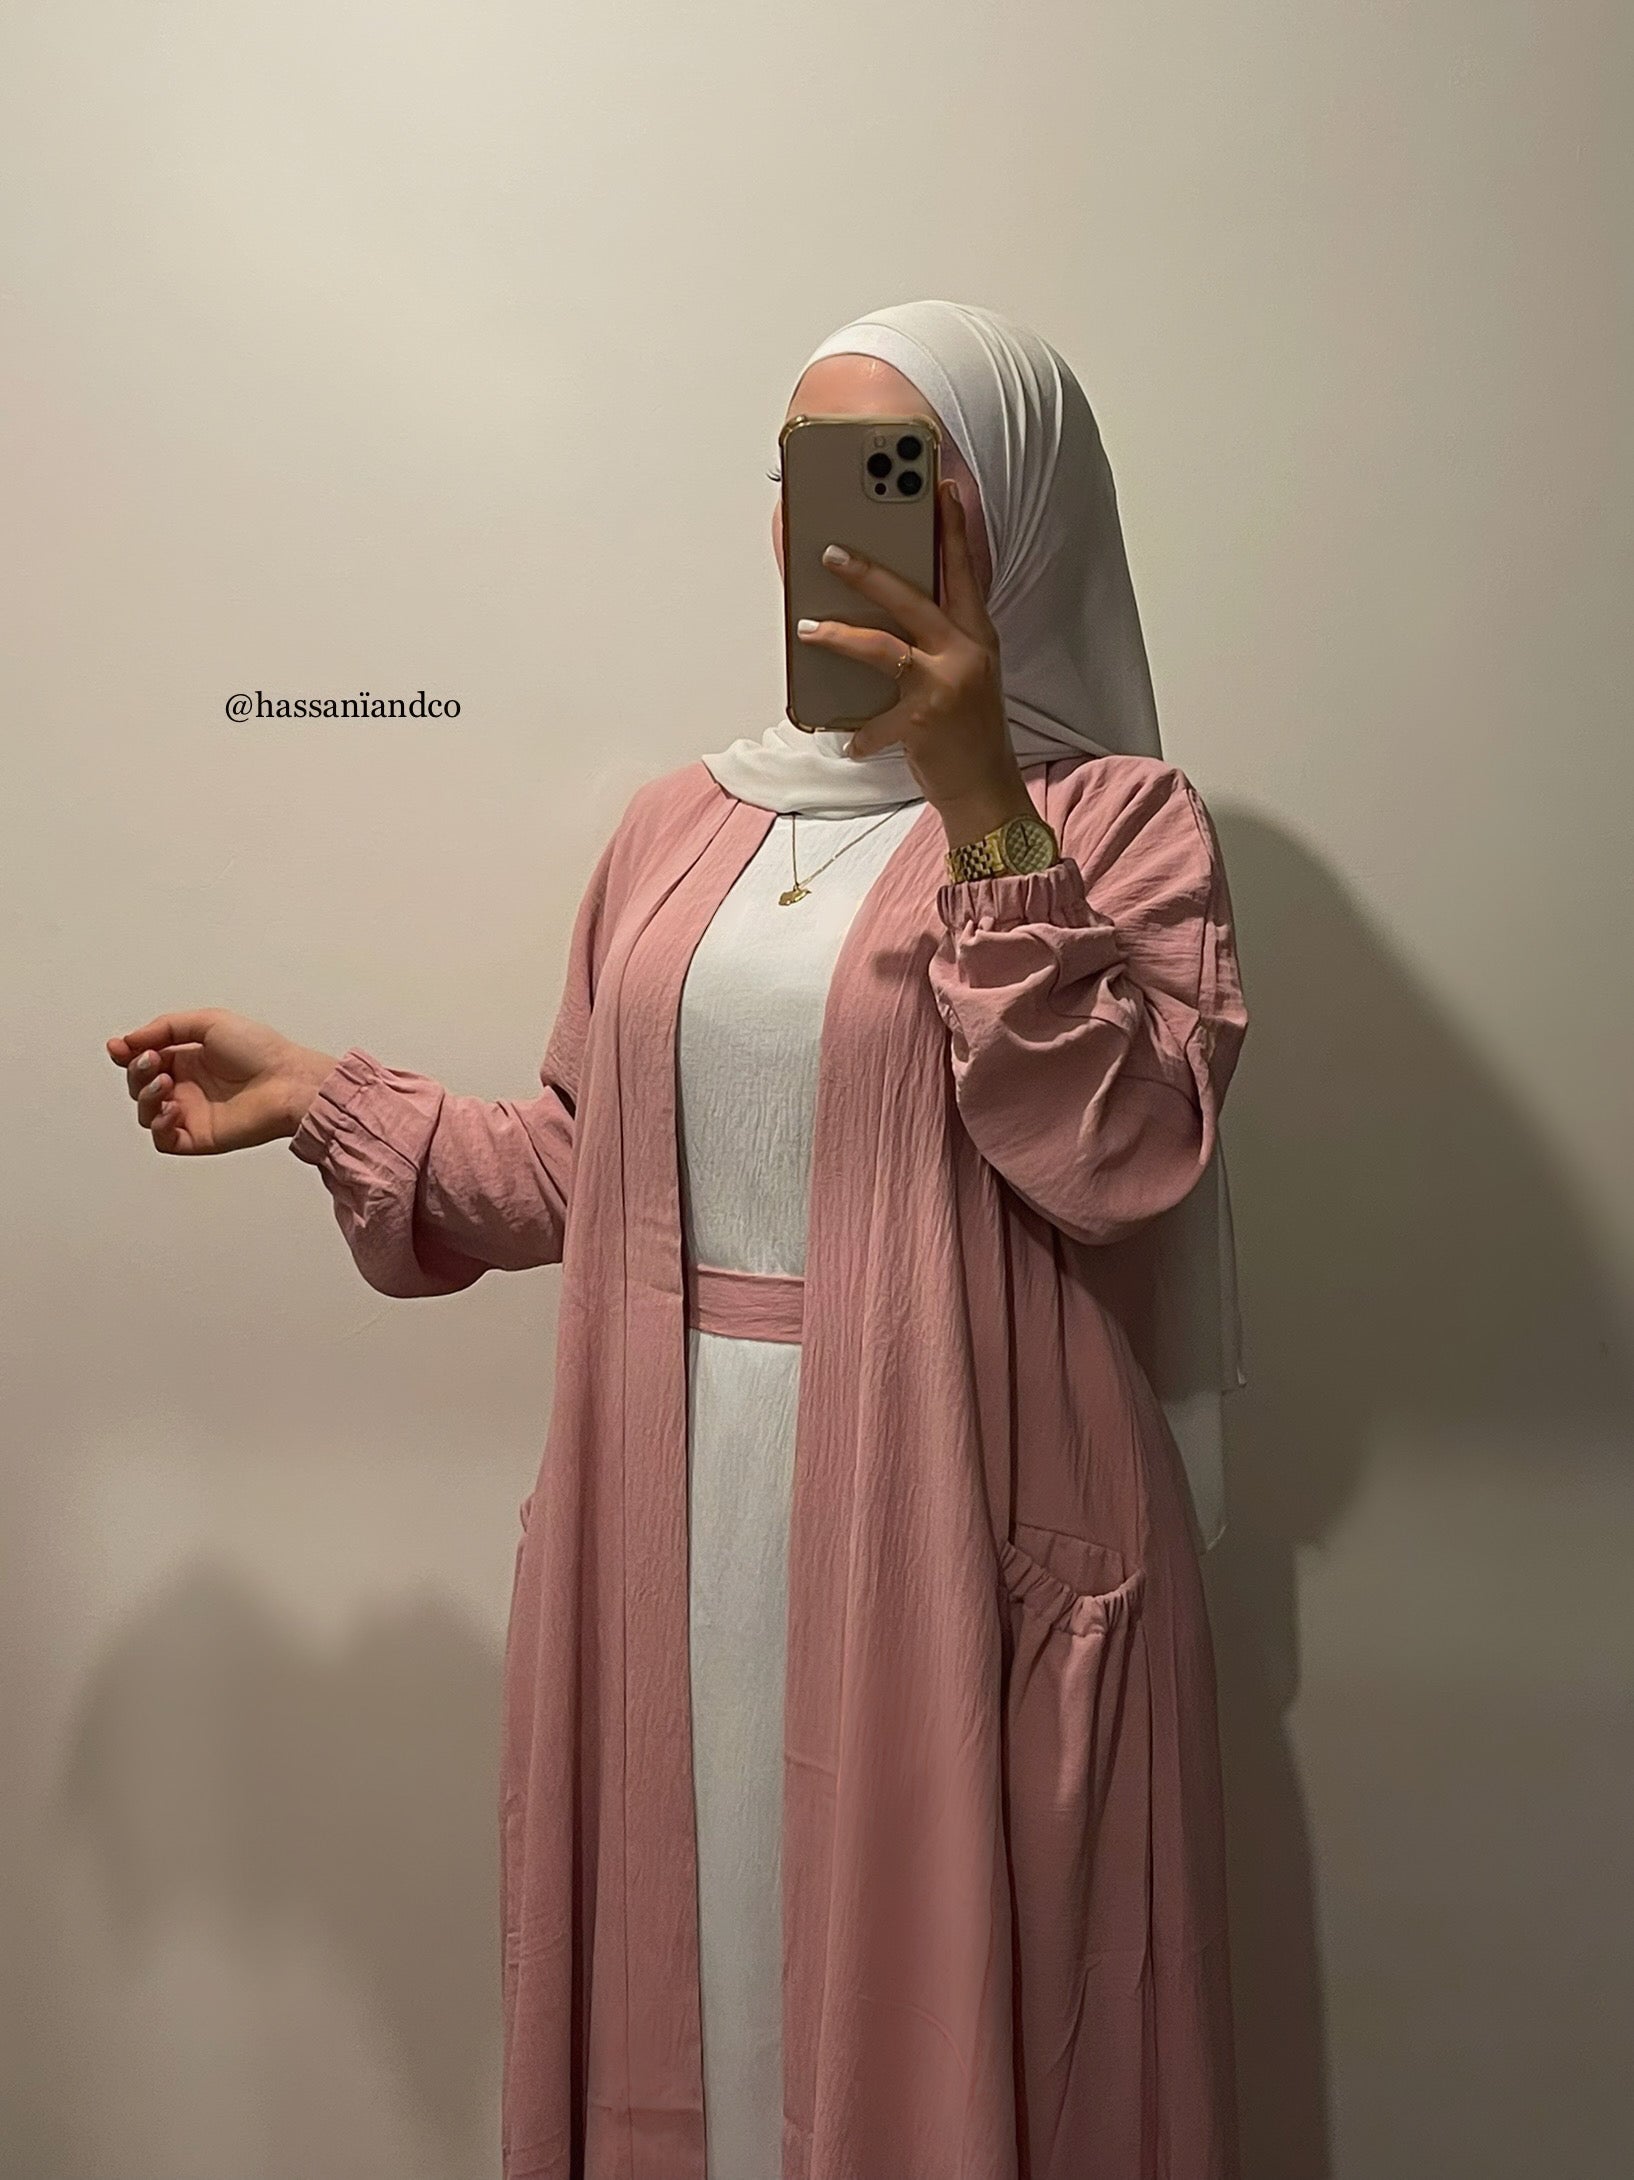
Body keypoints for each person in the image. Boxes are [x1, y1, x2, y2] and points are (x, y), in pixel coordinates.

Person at [106, 299, 1249, 2180]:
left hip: (951, 1515)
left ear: (1021, 519)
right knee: (704, 1991)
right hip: (680, 1508)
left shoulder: (1114, 826)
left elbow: (1119, 1159)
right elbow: (592, 1173)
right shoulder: (676, 827)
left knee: (939, 2018)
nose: (844, 521)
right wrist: (319, 1094)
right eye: (810, 472)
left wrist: (977, 791)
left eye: (907, 475)